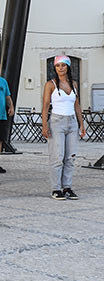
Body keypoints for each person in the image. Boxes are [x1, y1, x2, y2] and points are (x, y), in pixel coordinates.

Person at [42, 55, 86, 200]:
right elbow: (45, 106)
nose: (60, 68)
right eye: (57, 65)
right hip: (57, 121)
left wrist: (82, 124)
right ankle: (56, 188)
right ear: (54, 68)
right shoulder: (51, 84)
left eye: (63, 65)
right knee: (57, 156)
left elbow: (77, 105)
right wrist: (44, 125)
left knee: (70, 156)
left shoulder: (74, 84)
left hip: (72, 121)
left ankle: (67, 187)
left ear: (68, 67)